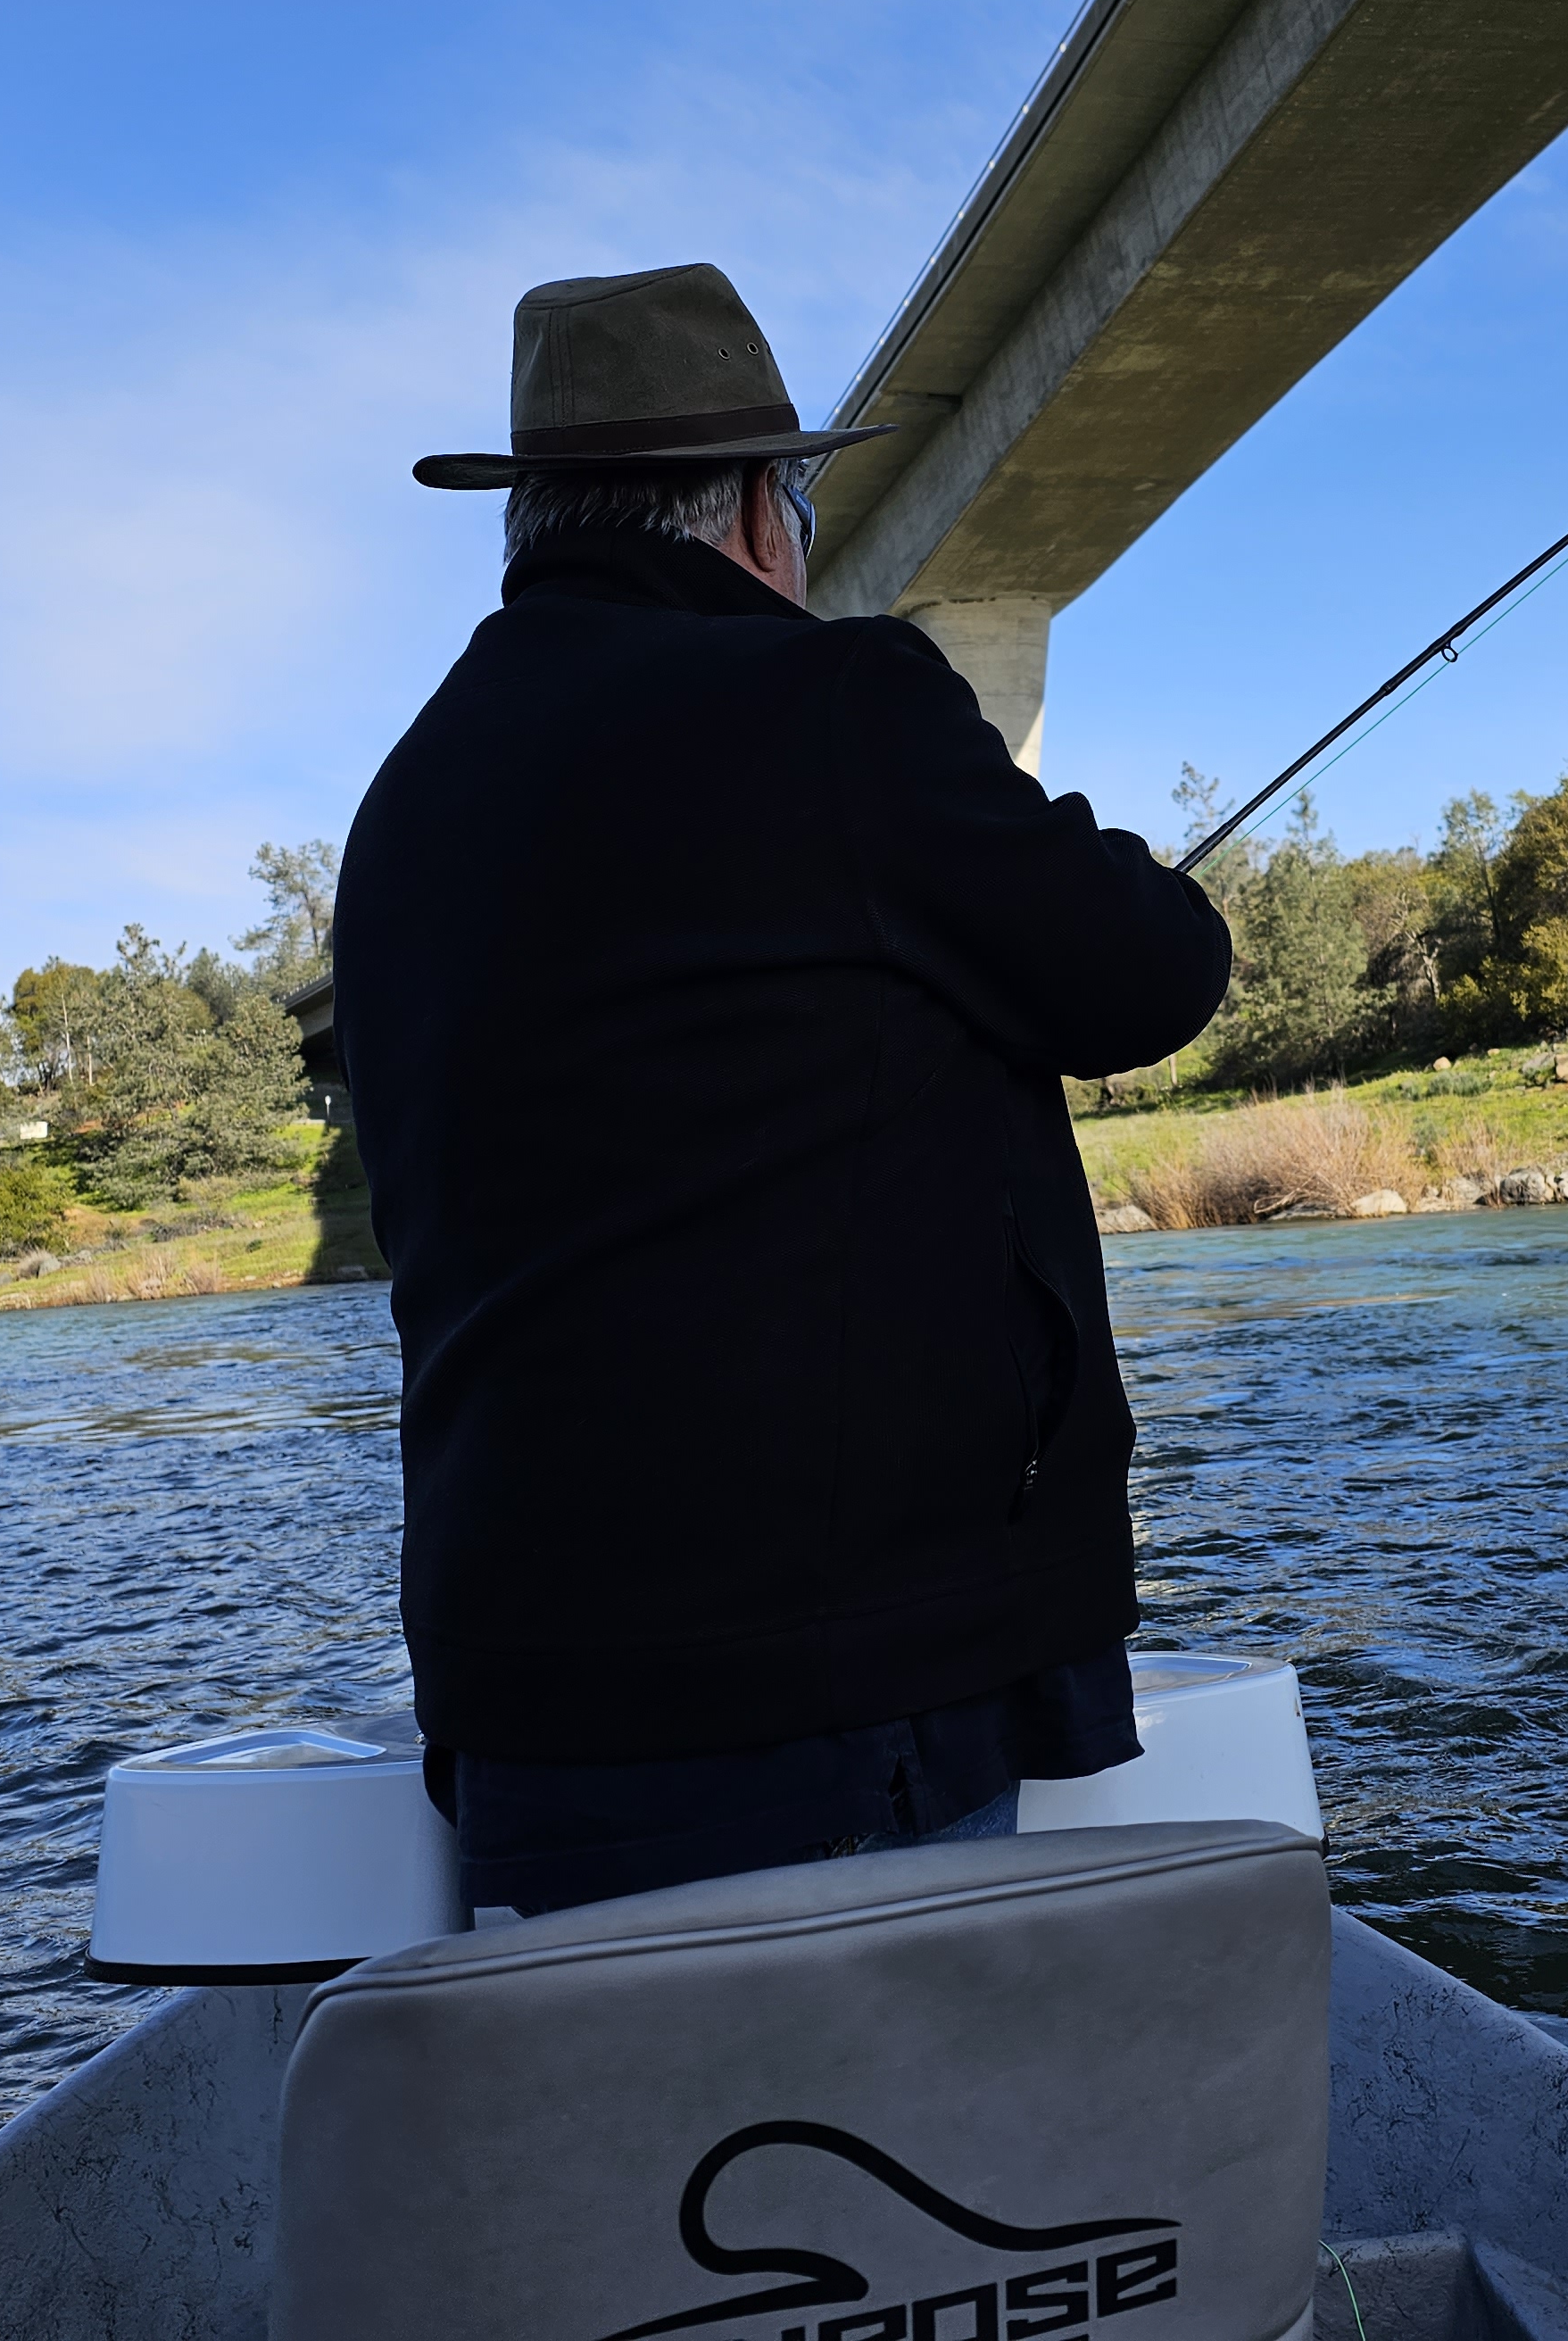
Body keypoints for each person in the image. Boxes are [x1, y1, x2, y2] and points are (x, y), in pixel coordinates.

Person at [330, 262, 1231, 1919]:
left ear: (536, 517)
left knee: (648, 2176)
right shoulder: (834, 705)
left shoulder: (409, 798)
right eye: (799, 497)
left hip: (526, 1703)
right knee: (864, 2171)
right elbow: (1151, 973)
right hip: (823, 1700)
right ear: (759, 512)